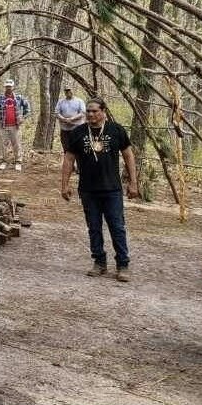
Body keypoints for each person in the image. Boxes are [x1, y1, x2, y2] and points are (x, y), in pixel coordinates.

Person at [60, 98, 138, 282]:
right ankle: (99, 262)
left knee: (117, 227)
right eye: (88, 111)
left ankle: (122, 264)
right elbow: (69, 159)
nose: (90, 114)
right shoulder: (78, 132)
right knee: (93, 227)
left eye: (95, 111)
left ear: (103, 111)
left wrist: (133, 182)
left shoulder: (115, 130)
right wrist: (64, 184)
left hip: (112, 189)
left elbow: (128, 155)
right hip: (88, 189)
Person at [0, 79, 30, 171]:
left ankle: (18, 162)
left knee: (16, 144)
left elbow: (27, 108)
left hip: (15, 126)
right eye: (7, 86)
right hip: (3, 125)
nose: (8, 88)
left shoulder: (19, 98)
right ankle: (4, 161)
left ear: (13, 87)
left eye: (10, 86)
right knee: (3, 144)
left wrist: (23, 118)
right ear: (5, 87)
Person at [55, 86, 86, 151]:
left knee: (77, 147)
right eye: (66, 91)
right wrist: (64, 119)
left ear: (72, 91)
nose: (68, 92)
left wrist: (71, 119)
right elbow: (57, 113)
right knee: (66, 148)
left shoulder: (79, 101)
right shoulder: (61, 102)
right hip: (64, 129)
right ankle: (68, 160)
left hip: (77, 128)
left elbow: (83, 113)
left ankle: (78, 160)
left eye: (69, 90)